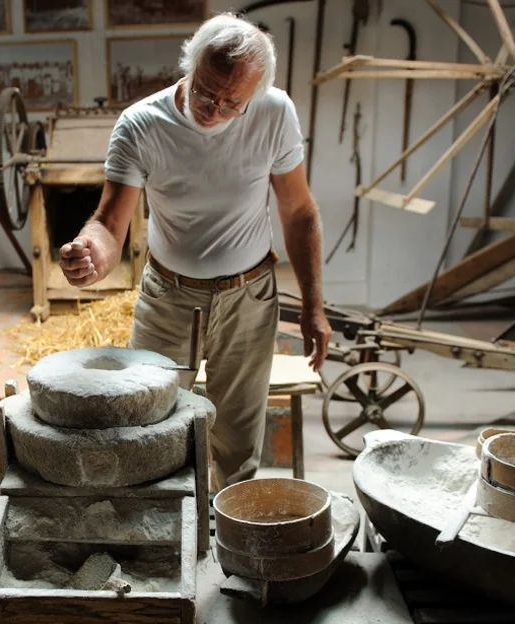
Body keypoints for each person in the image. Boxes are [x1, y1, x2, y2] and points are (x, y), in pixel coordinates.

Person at [57, 13, 330, 490]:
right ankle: (163, 523)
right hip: (169, 299)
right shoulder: (142, 124)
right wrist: (91, 254)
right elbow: (109, 223)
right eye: (206, 92)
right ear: (190, 64)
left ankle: (225, 527)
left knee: (238, 440)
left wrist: (313, 305)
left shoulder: (273, 112)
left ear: (256, 93)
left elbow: (298, 211)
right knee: (147, 423)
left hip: (249, 299)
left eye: (232, 103)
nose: (214, 110)